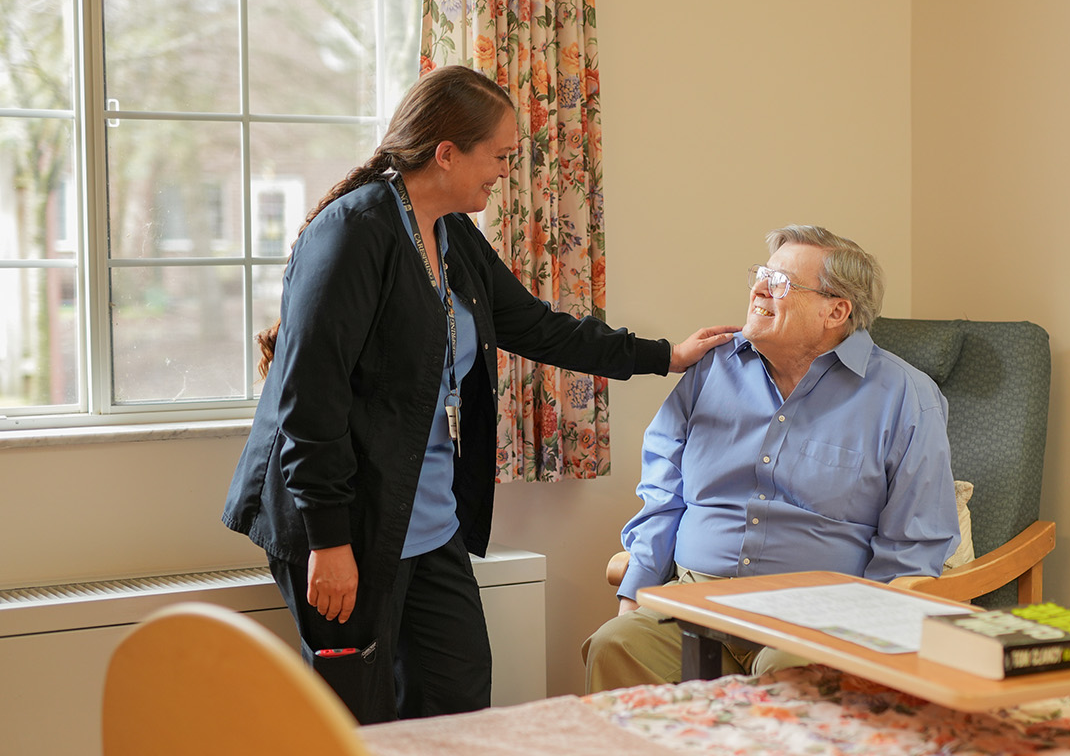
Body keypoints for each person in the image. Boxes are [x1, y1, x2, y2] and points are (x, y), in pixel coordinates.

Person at [222, 65, 736, 724]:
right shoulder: (356, 233)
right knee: (358, 719)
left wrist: (663, 356)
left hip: (428, 517)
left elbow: (534, 326)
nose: (504, 172)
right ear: (446, 153)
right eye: (498, 156)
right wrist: (329, 541)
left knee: (458, 703)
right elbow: (308, 404)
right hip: (346, 521)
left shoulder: (450, 232)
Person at [582, 225, 960, 693]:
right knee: (616, 645)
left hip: (820, 616)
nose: (759, 288)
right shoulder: (711, 370)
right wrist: (635, 592)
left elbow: (915, 541)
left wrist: (868, 632)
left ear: (836, 310)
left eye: (780, 282)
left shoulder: (905, 396)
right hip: (696, 600)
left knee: (792, 677)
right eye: (761, 275)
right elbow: (663, 494)